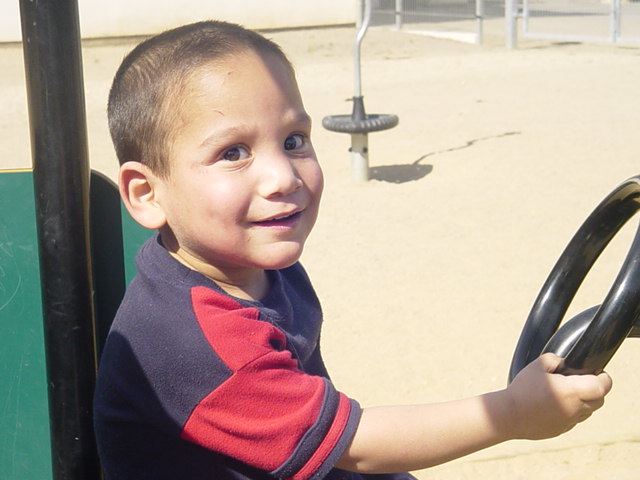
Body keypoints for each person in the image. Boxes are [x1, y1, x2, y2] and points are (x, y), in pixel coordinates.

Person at [93, 20, 613, 480]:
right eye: (233, 153)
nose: (282, 177)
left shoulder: (257, 266)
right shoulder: (197, 342)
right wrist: (511, 415)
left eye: (294, 140)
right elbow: (356, 447)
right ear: (147, 193)